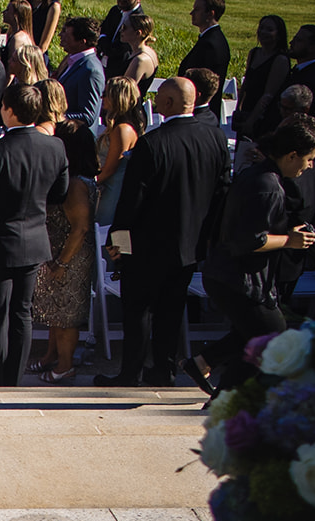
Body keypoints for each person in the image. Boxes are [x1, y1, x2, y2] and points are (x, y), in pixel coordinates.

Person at [96, 78, 227, 387]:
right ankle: (163, 370)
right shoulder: (215, 139)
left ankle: (132, 372)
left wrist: (118, 242)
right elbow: (221, 192)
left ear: (167, 104)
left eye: (159, 99)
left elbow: (132, 202)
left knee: (138, 311)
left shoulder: (153, 143)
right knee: (171, 310)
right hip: (189, 245)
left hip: (147, 245)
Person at [192, 118, 315, 393]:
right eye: (308, 159)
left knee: (255, 333)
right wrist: (290, 240)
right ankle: (224, 394)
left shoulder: (259, 175)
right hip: (239, 279)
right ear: (292, 155)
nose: (309, 166)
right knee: (273, 337)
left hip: (229, 274)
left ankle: (203, 364)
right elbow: (249, 241)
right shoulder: (268, 185)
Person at [0, 84, 69, 387]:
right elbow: (59, 194)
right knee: (21, 312)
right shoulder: (55, 147)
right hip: (33, 239)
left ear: (9, 111)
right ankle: (12, 378)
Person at [29, 115, 99, 382]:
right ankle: (51, 356)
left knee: (67, 314)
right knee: (55, 311)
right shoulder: (75, 179)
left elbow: (80, 228)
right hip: (60, 253)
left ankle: (65, 365)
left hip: (70, 257)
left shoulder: (76, 185)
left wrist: (62, 263)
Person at [233, 16, 291, 146]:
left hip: (264, 116)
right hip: (247, 111)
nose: (263, 32)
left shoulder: (280, 60)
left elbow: (268, 94)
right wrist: (238, 109)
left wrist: (251, 121)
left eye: (269, 29)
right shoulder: (254, 53)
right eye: (261, 28)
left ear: (279, 35)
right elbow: (246, 83)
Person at [94, 76, 143, 226]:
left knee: (103, 230)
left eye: (107, 94)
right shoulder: (119, 127)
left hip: (112, 191)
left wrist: (89, 184)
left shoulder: (123, 130)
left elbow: (110, 168)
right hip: (107, 187)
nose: (103, 97)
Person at [179, 0, 230, 115]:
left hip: (201, 111)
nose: (192, 13)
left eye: (197, 10)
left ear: (210, 14)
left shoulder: (211, 44)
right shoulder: (210, 39)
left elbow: (204, 82)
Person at [56, 17, 104, 130]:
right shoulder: (72, 61)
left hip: (76, 140)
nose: (60, 36)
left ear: (82, 42)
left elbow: (88, 116)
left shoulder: (91, 70)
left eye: (67, 35)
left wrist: (54, 118)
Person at [97, 0, 145, 78]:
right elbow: (102, 30)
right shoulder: (115, 11)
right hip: (102, 65)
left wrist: (103, 41)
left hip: (119, 70)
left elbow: (120, 49)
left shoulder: (137, 20)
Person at [120, 13, 159, 88]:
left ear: (138, 33)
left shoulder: (140, 60)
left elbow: (124, 90)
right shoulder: (148, 51)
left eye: (124, 27)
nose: (121, 30)